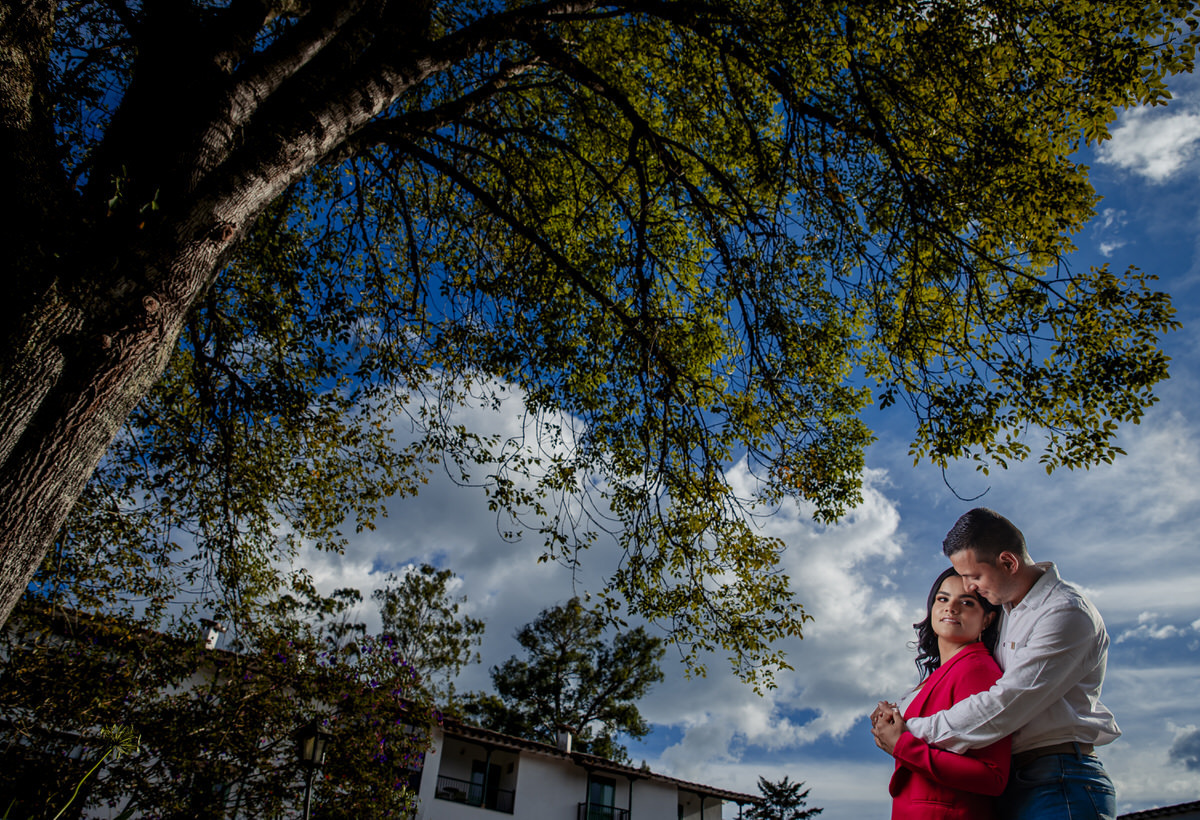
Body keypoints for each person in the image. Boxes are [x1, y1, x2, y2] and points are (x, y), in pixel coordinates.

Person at [872, 508, 1120, 820]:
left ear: (1008, 562)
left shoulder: (1064, 614)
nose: (970, 587)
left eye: (974, 576)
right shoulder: (1007, 608)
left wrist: (910, 731)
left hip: (1058, 780)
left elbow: (1004, 704)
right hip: (1017, 781)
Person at [875, 566, 1010, 819]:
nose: (951, 608)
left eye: (967, 602)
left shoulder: (977, 670)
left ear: (987, 619)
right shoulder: (937, 676)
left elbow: (993, 776)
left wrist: (903, 745)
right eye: (943, 599)